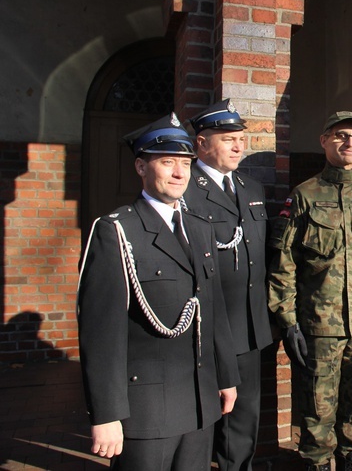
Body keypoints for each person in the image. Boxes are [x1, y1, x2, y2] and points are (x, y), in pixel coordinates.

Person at [77, 113, 240, 470]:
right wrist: (105, 414)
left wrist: (226, 376)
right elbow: (101, 333)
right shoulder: (116, 232)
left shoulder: (199, 228)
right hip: (146, 410)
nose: (180, 174)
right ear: (140, 167)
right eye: (168, 163)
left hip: (200, 401)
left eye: (185, 163)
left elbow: (213, 311)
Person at [266, 111, 352, 471]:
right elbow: (284, 264)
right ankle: (315, 464)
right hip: (320, 327)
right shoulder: (305, 196)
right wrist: (288, 322)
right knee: (317, 412)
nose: (349, 143)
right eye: (341, 136)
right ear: (324, 140)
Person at [182, 99, 273, 471]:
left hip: (249, 326)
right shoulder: (185, 188)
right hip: (205, 328)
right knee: (202, 419)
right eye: (228, 139)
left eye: (240, 139)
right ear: (202, 144)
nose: (238, 147)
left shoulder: (252, 187)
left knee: (244, 420)